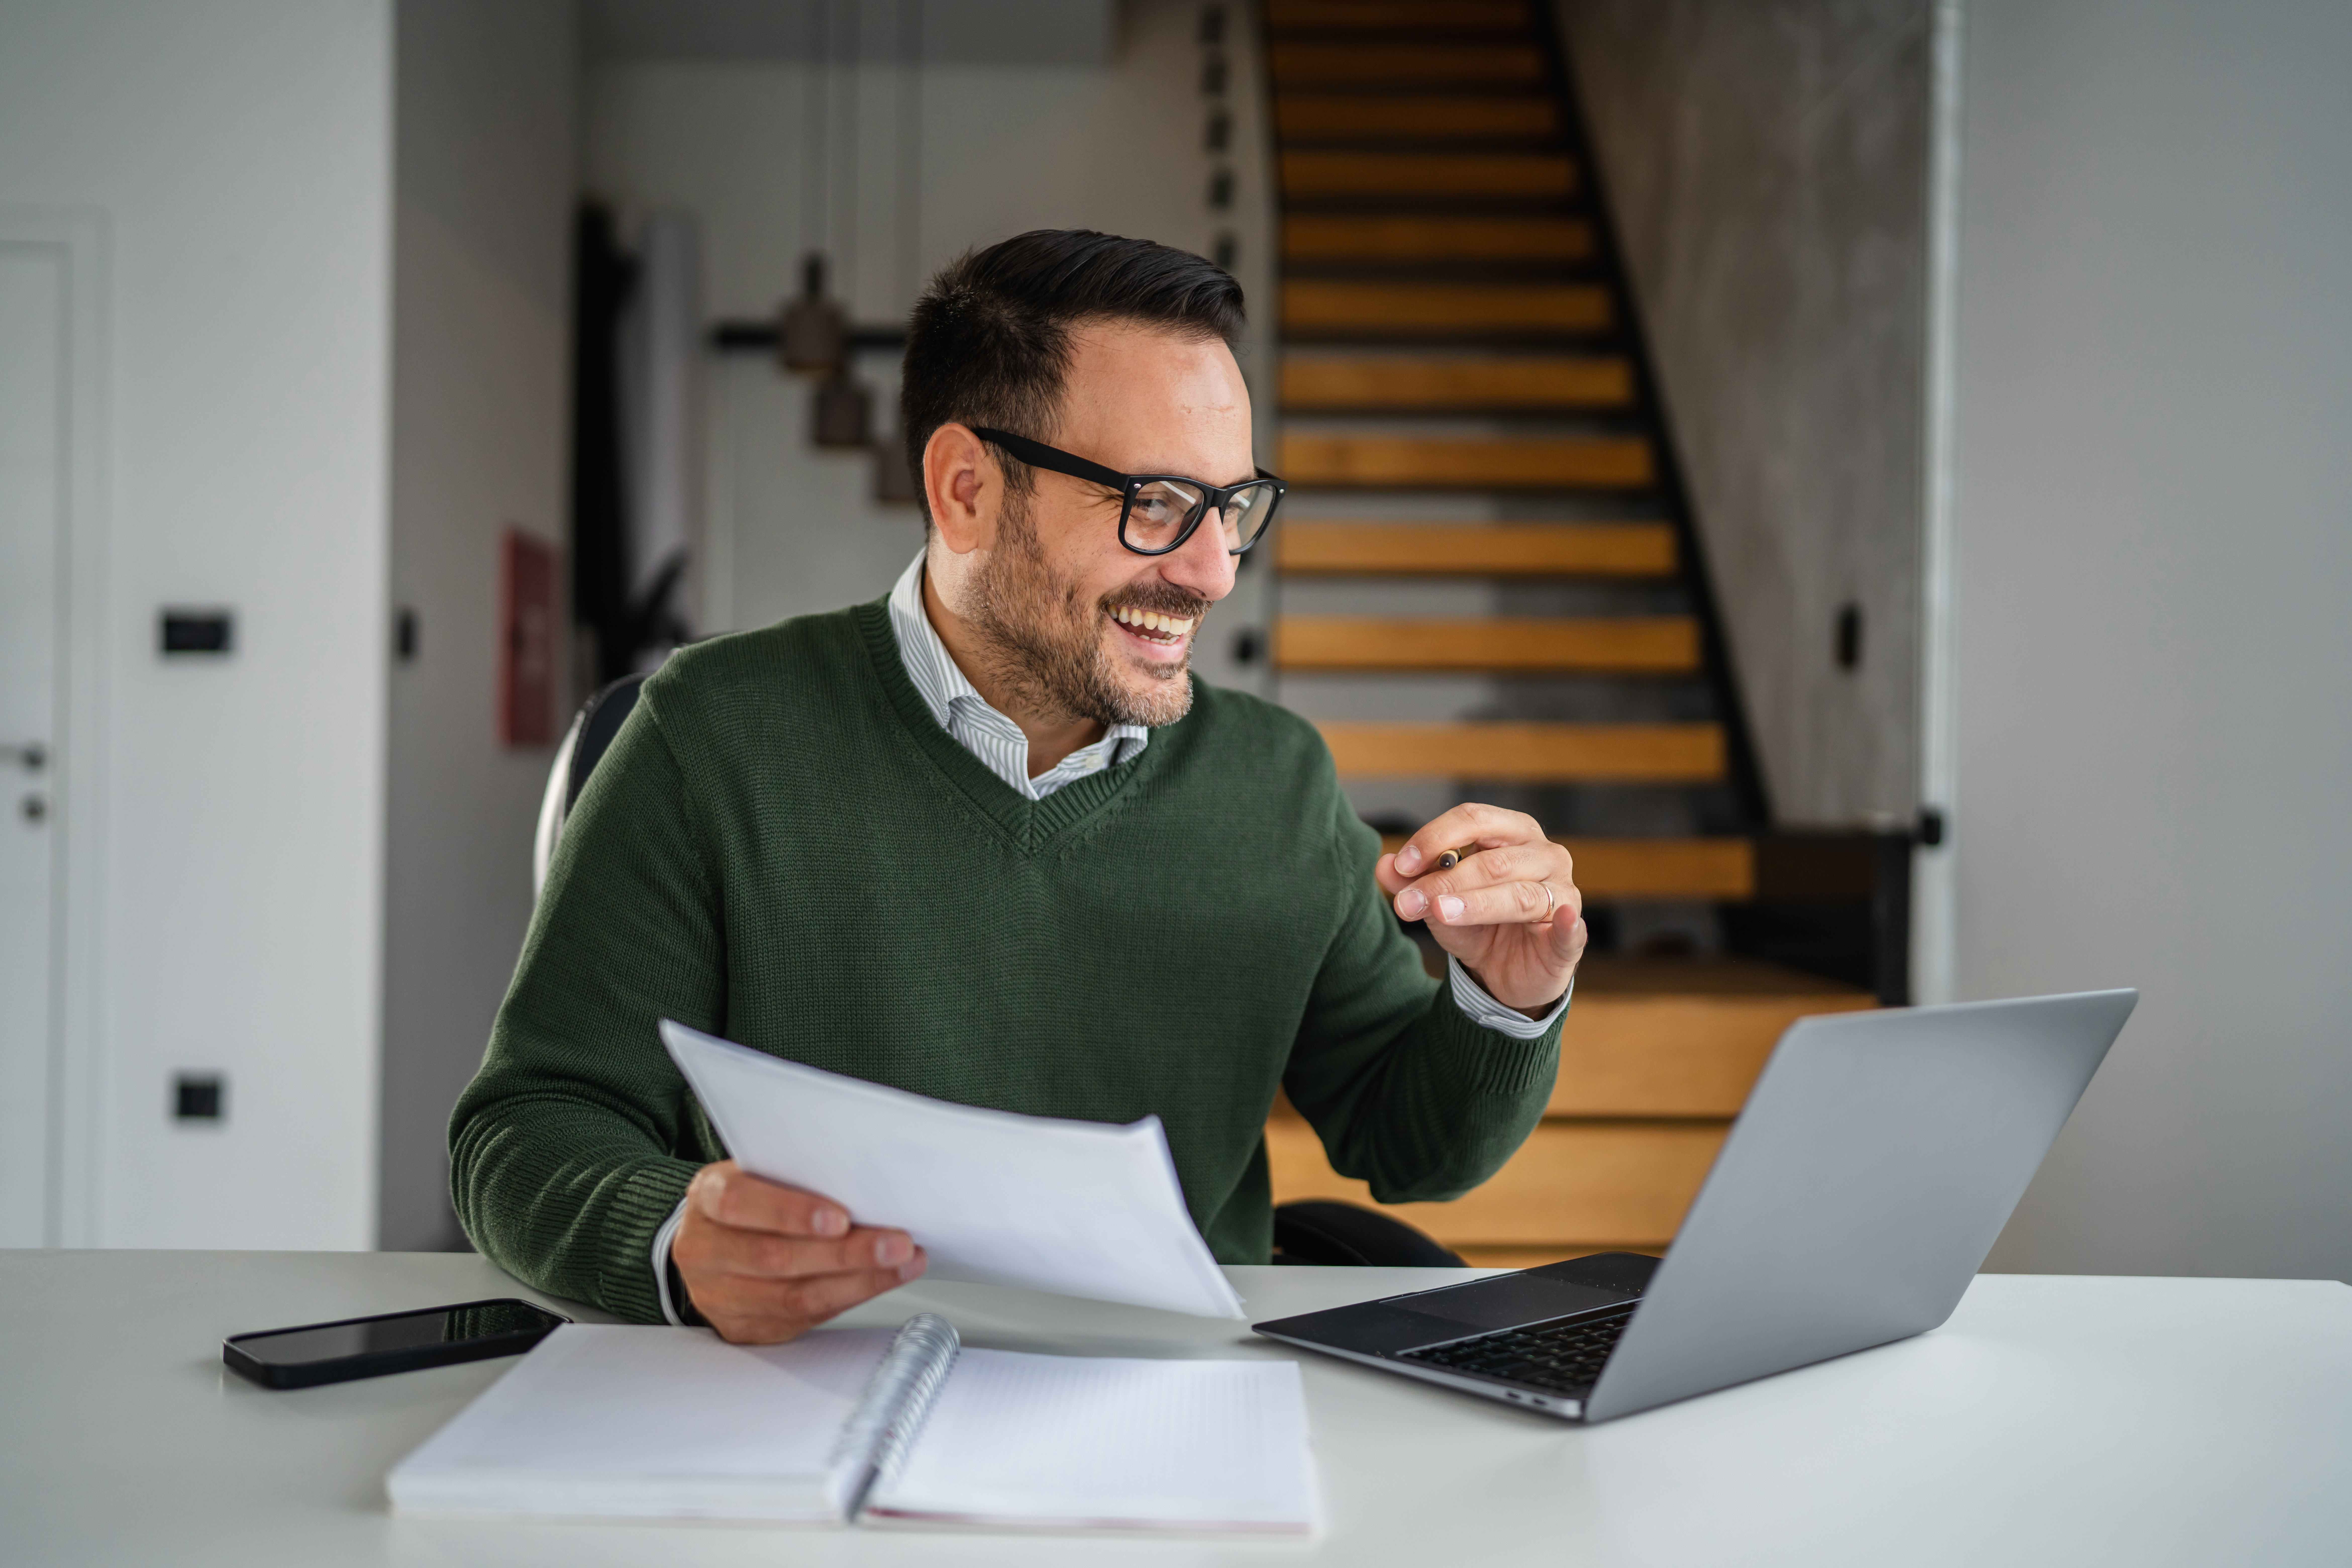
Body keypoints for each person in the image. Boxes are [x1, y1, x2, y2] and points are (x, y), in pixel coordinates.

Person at [451, 229, 1588, 1344]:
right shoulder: (716, 735)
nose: (1212, 570)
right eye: (1155, 503)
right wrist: (670, 1239)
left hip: (1172, 1415)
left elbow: (1417, 1143)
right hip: (808, 1392)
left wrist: (1505, 1000)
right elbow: (526, 1128)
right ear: (965, 491)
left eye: (1233, 507)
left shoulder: (1276, 781)